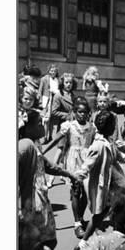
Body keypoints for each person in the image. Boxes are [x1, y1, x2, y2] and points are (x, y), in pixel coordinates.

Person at [18, 110, 78, 250]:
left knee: (47, 242)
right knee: (41, 245)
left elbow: (49, 166)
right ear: (29, 127)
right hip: (33, 205)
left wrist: (69, 174)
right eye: (39, 124)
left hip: (40, 201)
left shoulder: (33, 145)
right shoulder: (24, 145)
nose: (43, 127)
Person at [75, 110, 125, 241]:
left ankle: (123, 235)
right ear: (106, 126)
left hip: (113, 183)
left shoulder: (110, 142)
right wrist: (78, 179)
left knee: (117, 208)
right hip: (101, 185)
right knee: (98, 215)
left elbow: (120, 156)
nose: (114, 127)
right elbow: (86, 166)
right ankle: (83, 242)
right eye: (112, 124)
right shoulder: (98, 145)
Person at [43, 97, 96, 239]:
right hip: (73, 160)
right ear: (75, 112)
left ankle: (80, 216)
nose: (82, 115)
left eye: (85, 112)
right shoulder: (69, 126)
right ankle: (77, 223)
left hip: (87, 160)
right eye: (79, 112)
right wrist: (43, 151)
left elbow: (97, 142)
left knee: (85, 192)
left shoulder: (92, 127)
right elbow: (55, 140)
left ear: (88, 113)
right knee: (75, 190)